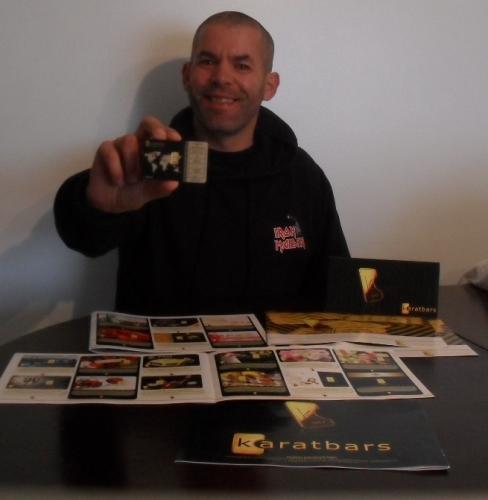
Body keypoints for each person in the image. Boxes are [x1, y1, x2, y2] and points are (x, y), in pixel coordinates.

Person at [54, 11, 349, 319]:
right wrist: (95, 206)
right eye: (208, 61)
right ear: (187, 75)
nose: (221, 77)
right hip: (158, 349)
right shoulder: (149, 168)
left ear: (269, 85)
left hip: (276, 350)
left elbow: (337, 290)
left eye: (242, 65)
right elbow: (83, 238)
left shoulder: (303, 176)